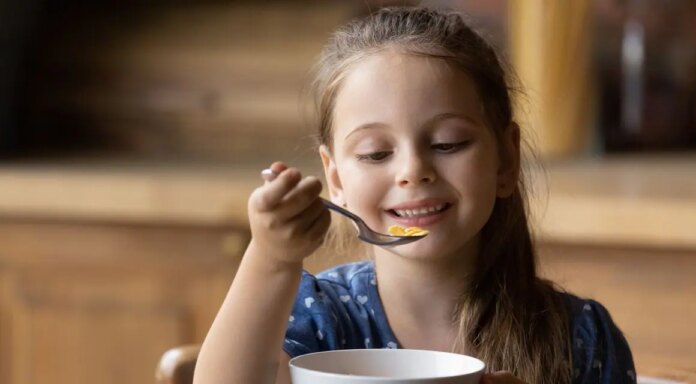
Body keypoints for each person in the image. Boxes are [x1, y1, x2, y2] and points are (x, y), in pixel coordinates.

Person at [194, 7, 635, 384]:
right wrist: (271, 258)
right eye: (376, 152)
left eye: (447, 144)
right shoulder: (320, 317)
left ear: (505, 159)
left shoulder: (580, 336)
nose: (412, 171)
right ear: (336, 179)